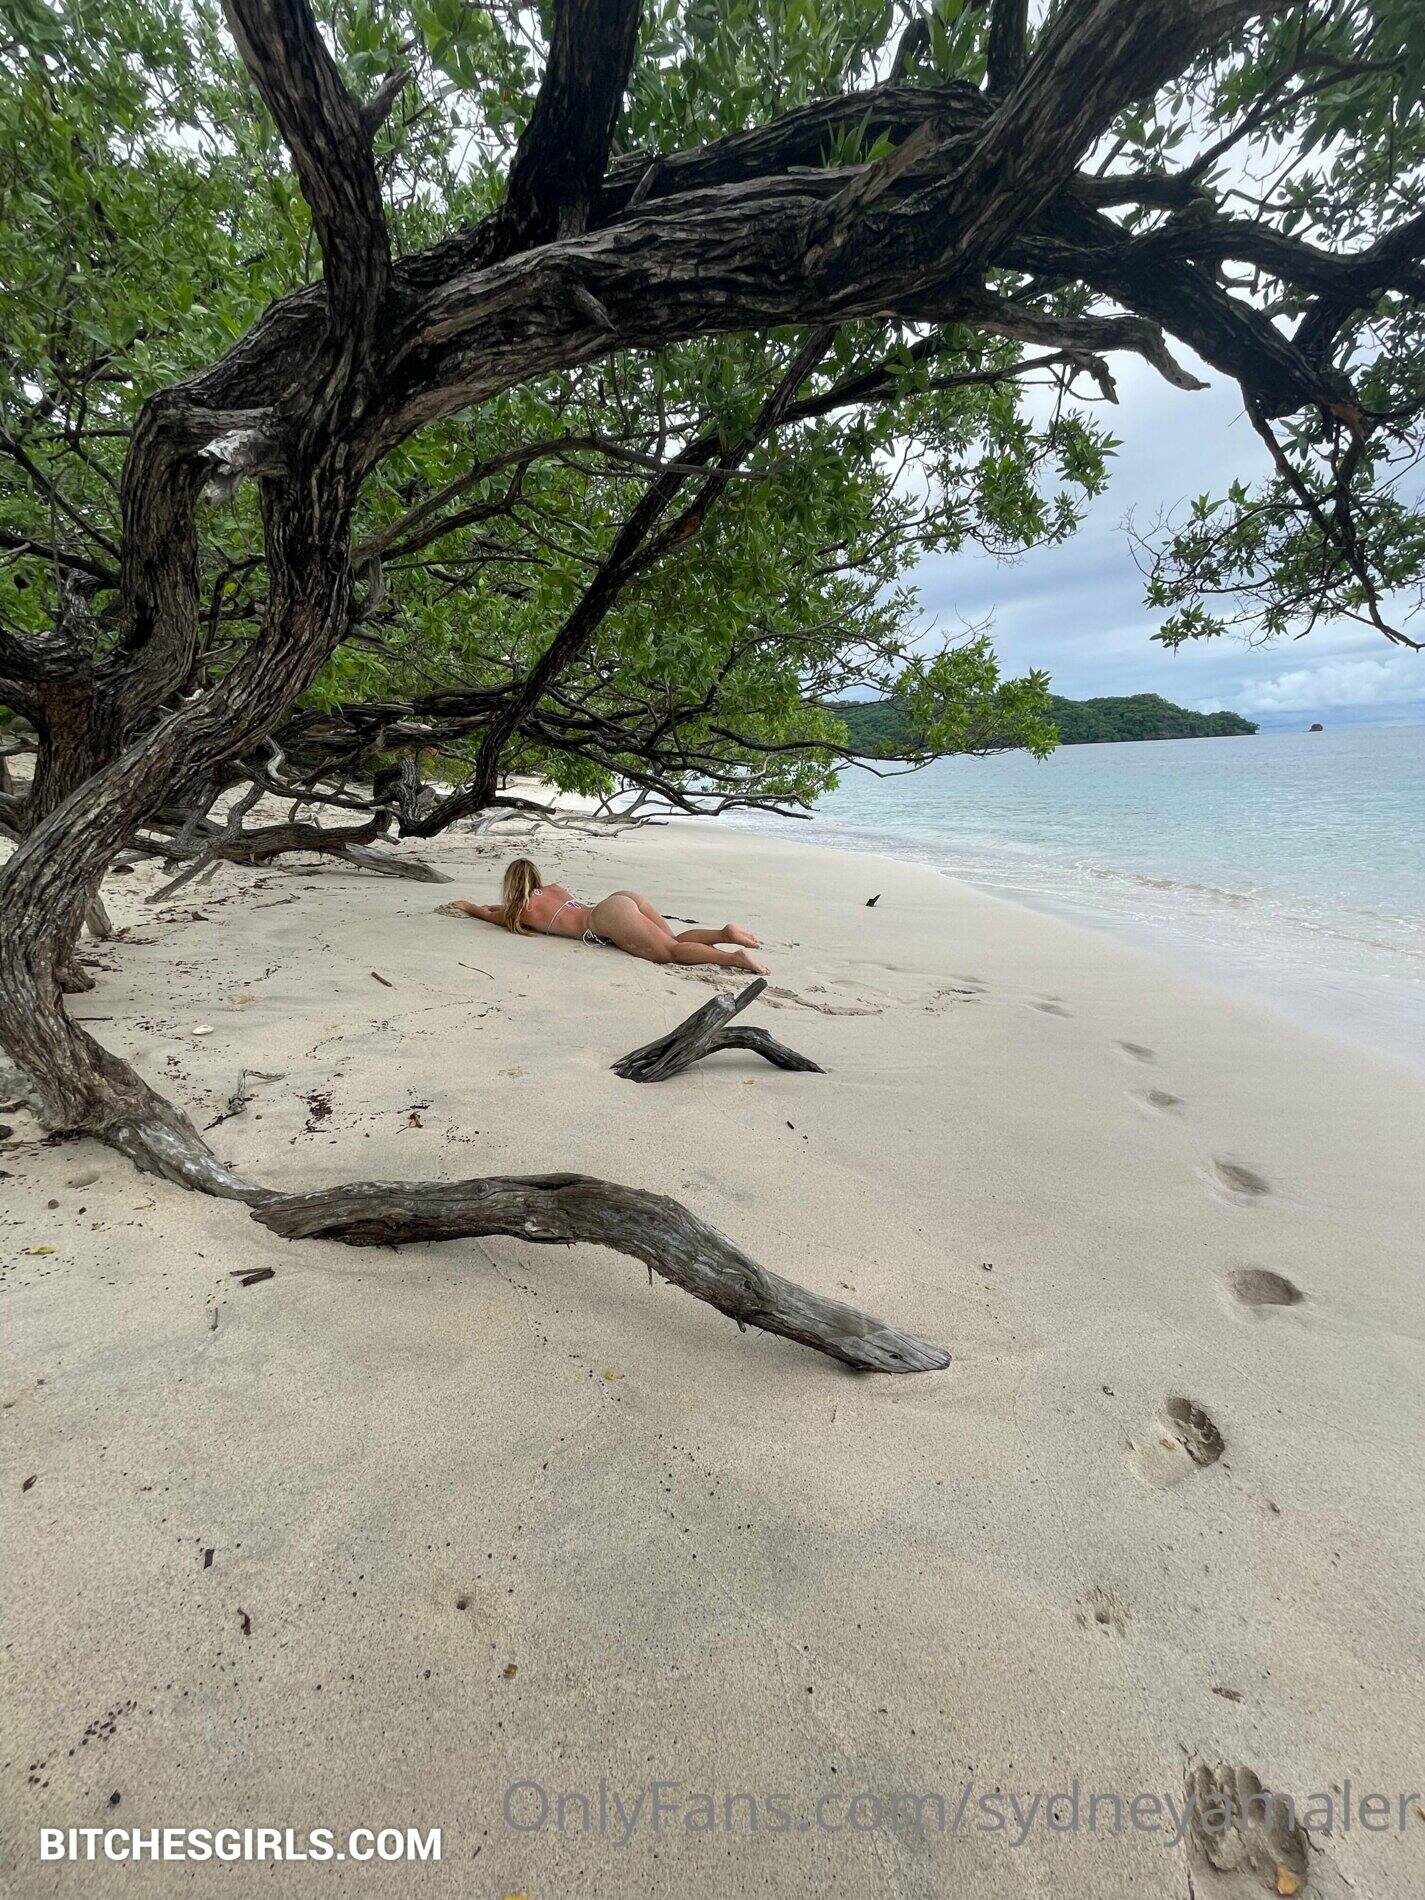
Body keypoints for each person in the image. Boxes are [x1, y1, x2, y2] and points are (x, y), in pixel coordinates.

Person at [443, 858, 769, 973]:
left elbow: (490, 914)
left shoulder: (521, 909)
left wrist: (470, 907)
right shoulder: (553, 889)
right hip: (619, 900)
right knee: (672, 939)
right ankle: (723, 934)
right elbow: (504, 909)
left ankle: (734, 958)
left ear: (512, 884)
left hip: (604, 919)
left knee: (669, 953)